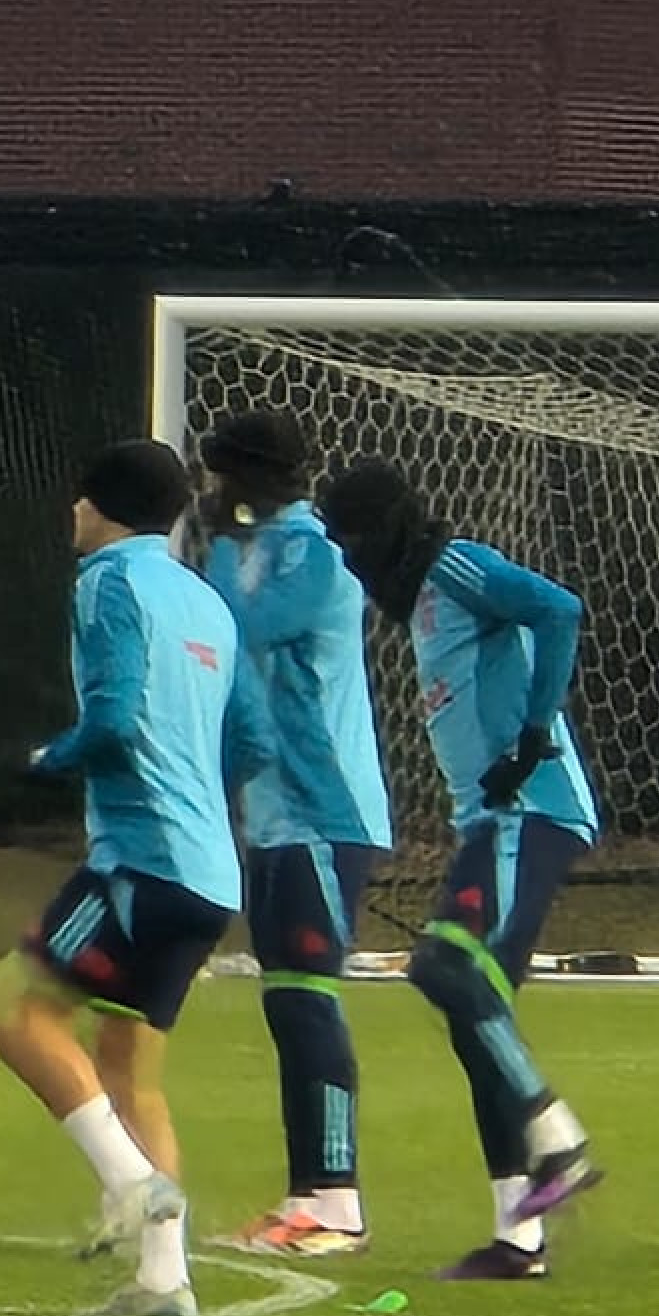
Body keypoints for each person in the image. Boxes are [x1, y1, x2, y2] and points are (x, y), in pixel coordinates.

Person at [0, 439, 256, 1316]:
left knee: (15, 1011)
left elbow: (114, 717)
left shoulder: (108, 581)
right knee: (130, 1068)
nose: (72, 512)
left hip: (142, 861)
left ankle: (132, 1183)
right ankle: (165, 1281)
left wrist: (46, 758)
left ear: (101, 507)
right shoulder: (206, 601)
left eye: (80, 498)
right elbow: (250, 737)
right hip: (210, 873)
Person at [319, 458, 601, 1278]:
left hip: (531, 811)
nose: (350, 558)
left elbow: (559, 608)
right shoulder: (419, 606)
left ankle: (557, 1135)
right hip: (491, 822)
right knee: (480, 1015)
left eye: (352, 539)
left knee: (446, 969)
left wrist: (536, 734)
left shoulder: (457, 567)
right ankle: (519, 1239)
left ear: (382, 532)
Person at [196, 407, 392, 1258]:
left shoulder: (314, 553)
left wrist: (212, 546)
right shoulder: (258, 547)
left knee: (310, 999)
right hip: (276, 815)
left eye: (222, 474)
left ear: (251, 476)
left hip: (324, 811)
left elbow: (237, 628)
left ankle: (338, 1201)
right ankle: (305, 1195)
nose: (213, 489)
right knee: (286, 1002)